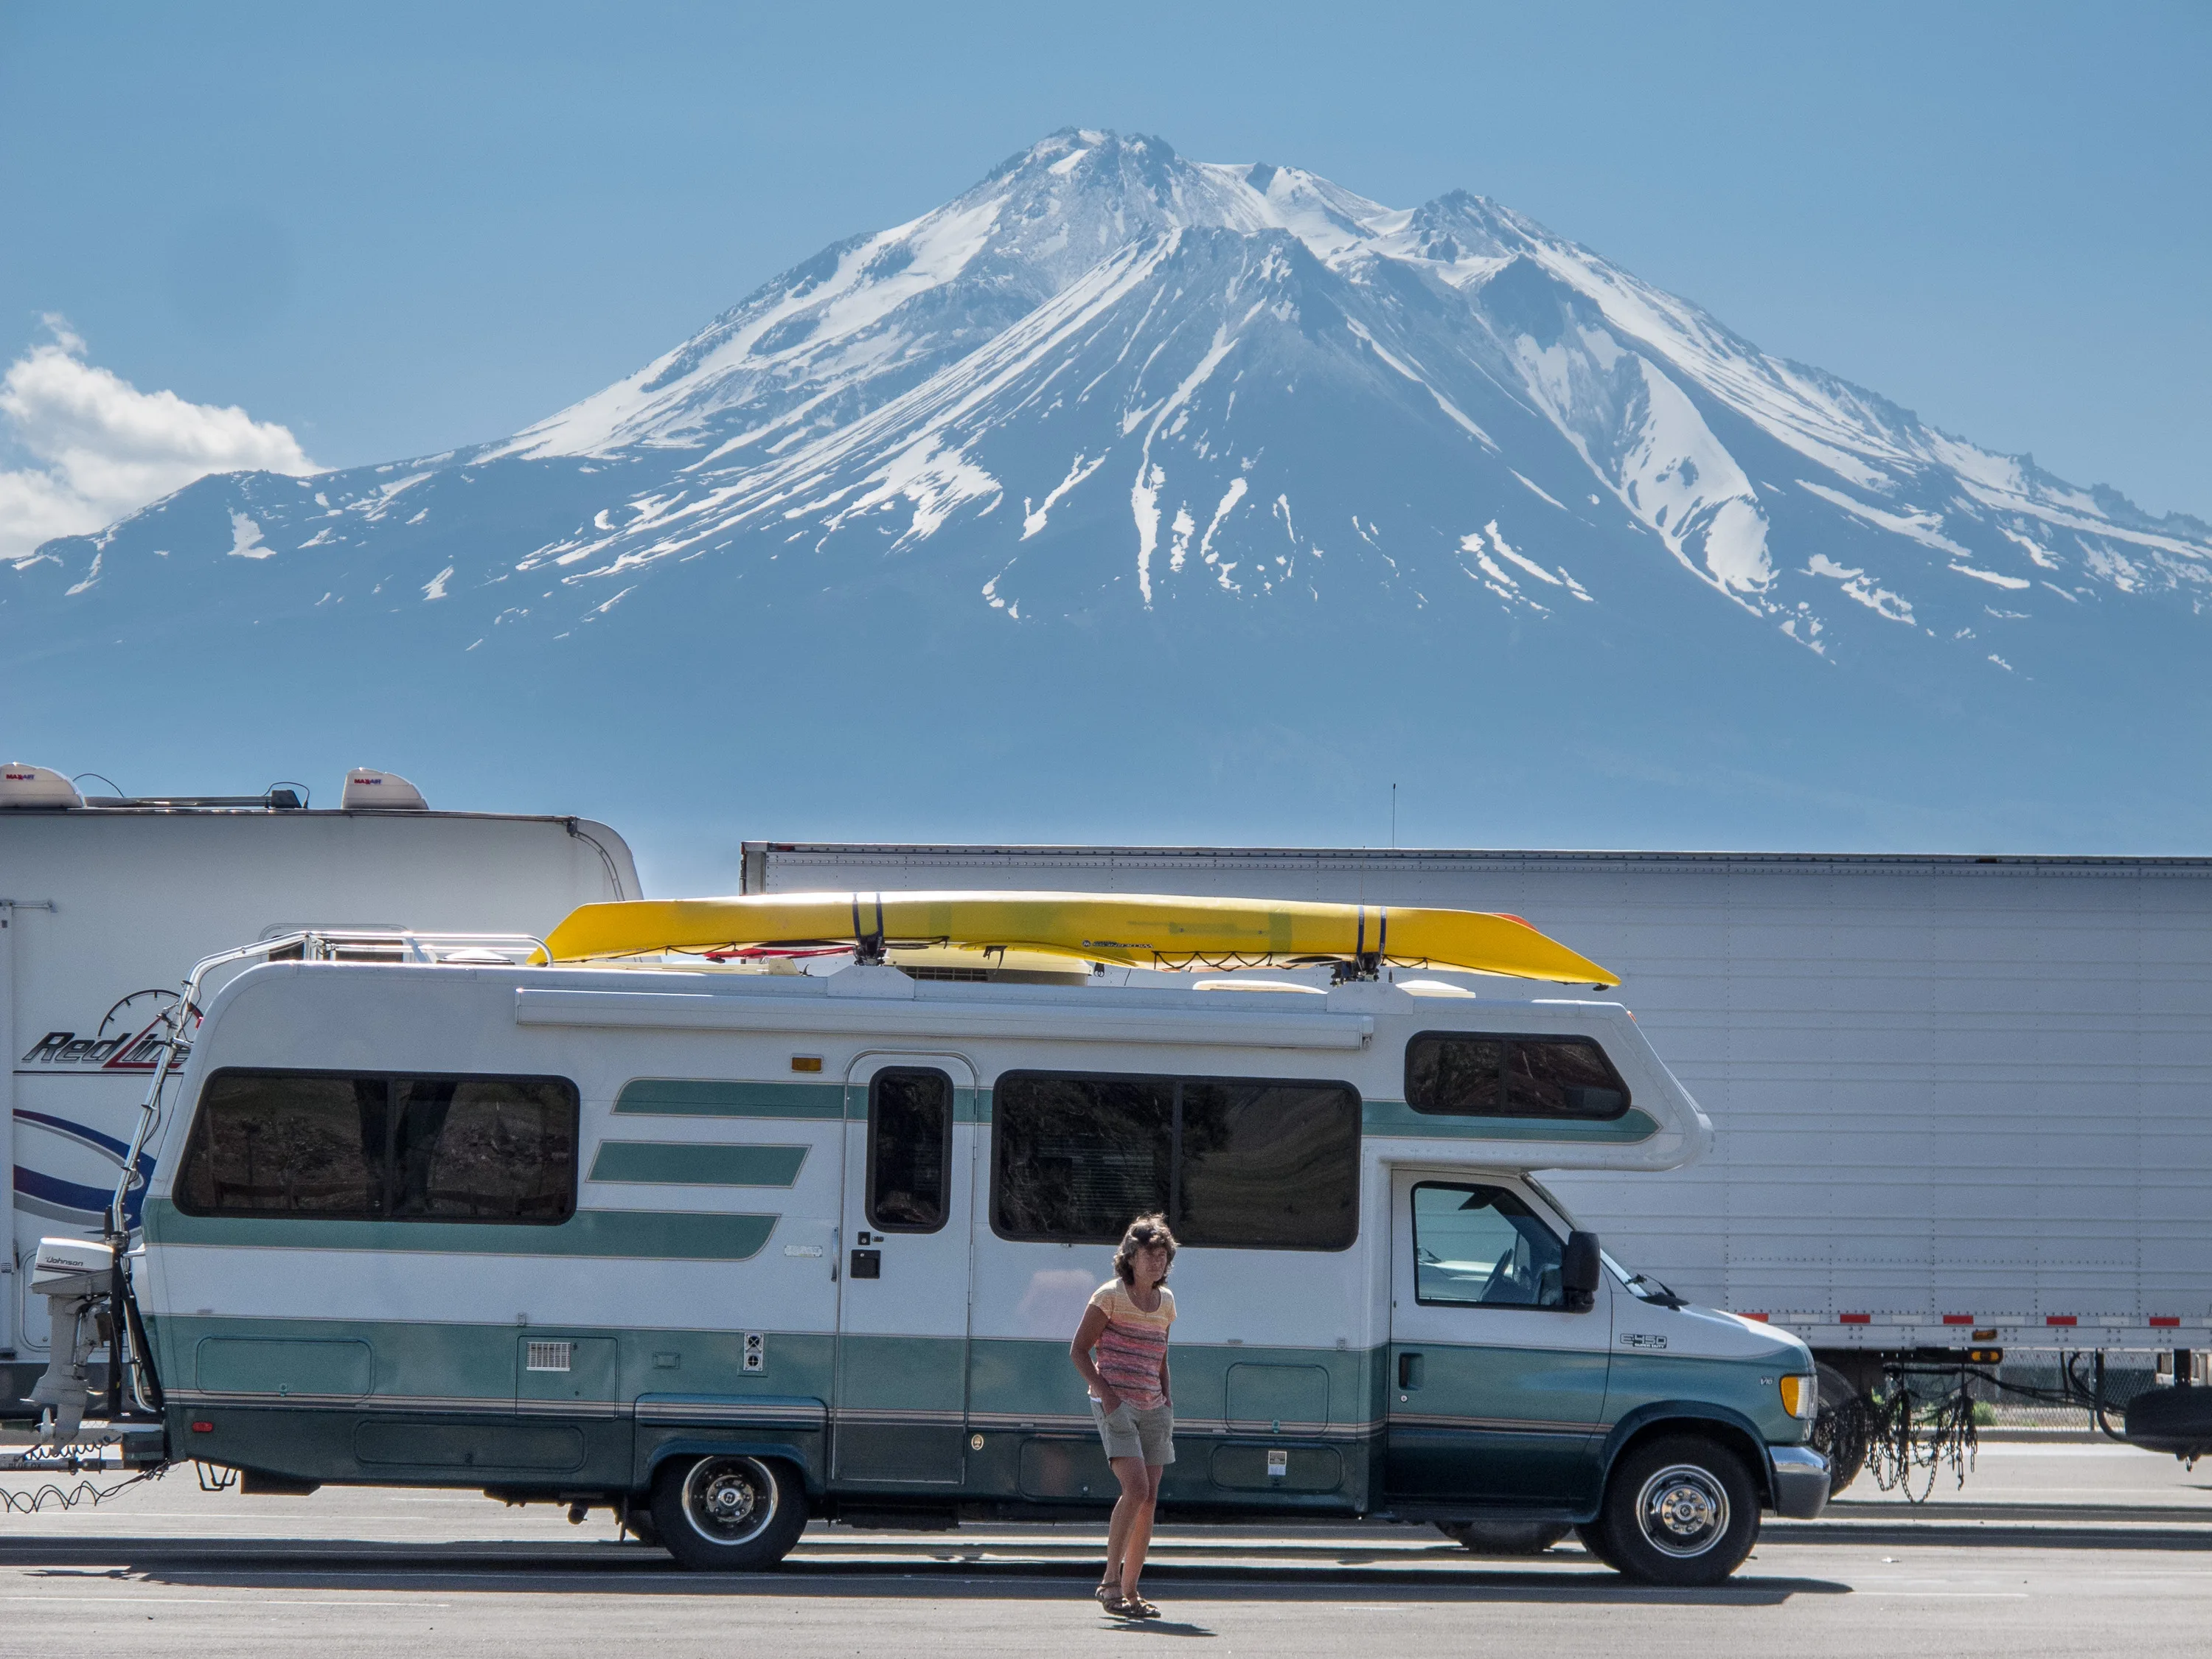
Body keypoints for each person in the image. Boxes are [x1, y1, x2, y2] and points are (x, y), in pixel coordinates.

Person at [1068, 1213, 1178, 1619]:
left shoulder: (1166, 1302)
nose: (1157, 1261)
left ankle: (1131, 1593)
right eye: (1150, 1253)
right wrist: (1108, 1397)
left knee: (1149, 1500)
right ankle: (1110, 1581)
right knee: (1134, 1489)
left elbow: (1160, 1356)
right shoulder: (1108, 1296)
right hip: (1117, 1407)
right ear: (1130, 1257)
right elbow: (1079, 1351)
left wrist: (1167, 1400)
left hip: (1154, 1409)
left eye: (1163, 1254)